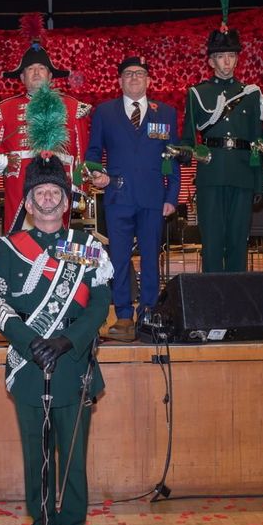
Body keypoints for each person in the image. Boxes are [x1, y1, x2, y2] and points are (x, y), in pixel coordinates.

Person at [0, 155, 111, 525]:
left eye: (55, 192)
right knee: (36, 459)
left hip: (73, 363)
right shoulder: (8, 246)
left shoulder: (86, 246)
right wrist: (31, 342)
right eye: (40, 193)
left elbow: (99, 306)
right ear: (30, 201)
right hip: (28, 363)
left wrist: (66, 341)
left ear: (66, 200)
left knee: (72, 460)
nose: (47, 199)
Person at [85, 55, 180, 341]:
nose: (134, 78)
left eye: (140, 73)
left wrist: (172, 196)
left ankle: (149, 313)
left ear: (149, 80)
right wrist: (95, 173)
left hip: (153, 197)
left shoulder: (165, 112)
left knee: (151, 257)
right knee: (119, 259)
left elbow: (172, 158)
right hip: (118, 194)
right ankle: (124, 316)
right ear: (120, 81)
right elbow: (92, 152)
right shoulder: (104, 112)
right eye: (128, 74)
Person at [184, 0, 263, 273]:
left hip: (242, 173)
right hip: (211, 173)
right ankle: (211, 307)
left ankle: (236, 306)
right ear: (210, 60)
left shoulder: (251, 94)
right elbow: (187, 138)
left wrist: (259, 184)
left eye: (231, 56)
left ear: (237, 59)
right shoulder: (197, 93)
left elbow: (257, 142)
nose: (226, 62)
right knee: (212, 241)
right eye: (220, 56)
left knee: (237, 242)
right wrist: (184, 153)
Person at [0, 33, 91, 233]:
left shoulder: (72, 106)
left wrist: (80, 190)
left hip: (60, 184)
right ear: (22, 77)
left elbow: (81, 152)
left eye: (41, 68)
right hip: (19, 186)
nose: (36, 73)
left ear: (50, 76)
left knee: (57, 244)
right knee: (19, 243)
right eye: (30, 69)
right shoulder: (6, 108)